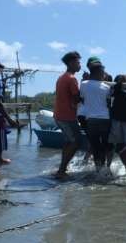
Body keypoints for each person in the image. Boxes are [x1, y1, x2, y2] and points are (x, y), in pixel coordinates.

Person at [79, 57, 112, 171]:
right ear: (98, 73)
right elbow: (108, 103)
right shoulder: (107, 87)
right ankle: (105, 169)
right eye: (102, 73)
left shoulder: (83, 84)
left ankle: (98, 170)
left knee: (95, 146)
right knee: (106, 145)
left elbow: (82, 99)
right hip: (105, 119)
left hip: (91, 120)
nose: (103, 75)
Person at [54, 51, 82, 179]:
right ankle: (61, 170)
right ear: (71, 63)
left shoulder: (62, 77)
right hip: (67, 116)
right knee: (76, 142)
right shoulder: (71, 78)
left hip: (59, 115)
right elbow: (77, 98)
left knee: (68, 142)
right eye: (78, 62)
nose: (79, 65)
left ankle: (63, 167)